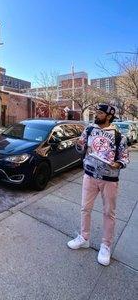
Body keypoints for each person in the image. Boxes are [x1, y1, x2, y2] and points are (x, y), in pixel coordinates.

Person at [67, 104, 129, 266]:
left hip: (109, 179)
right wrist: (79, 144)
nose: (96, 114)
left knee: (109, 213)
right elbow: (81, 148)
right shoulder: (89, 130)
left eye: (100, 113)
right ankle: (84, 237)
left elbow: (124, 158)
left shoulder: (118, 136)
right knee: (85, 208)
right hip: (89, 175)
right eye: (96, 112)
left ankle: (106, 246)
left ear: (108, 116)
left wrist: (118, 164)